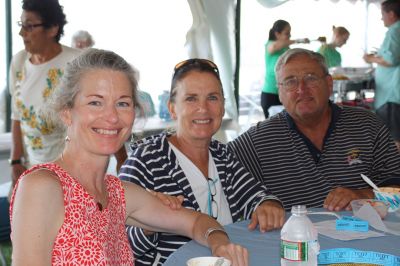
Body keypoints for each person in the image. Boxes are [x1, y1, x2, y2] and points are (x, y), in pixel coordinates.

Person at [9, 49, 249, 265]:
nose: (112, 117)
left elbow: (197, 223)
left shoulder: (118, 193)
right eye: (95, 102)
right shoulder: (43, 187)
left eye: (122, 104)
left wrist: (218, 242)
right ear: (67, 112)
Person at [119, 58, 285, 265]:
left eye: (212, 98)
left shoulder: (223, 154)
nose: (203, 108)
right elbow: (118, 243)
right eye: (191, 99)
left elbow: (255, 194)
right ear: (172, 108)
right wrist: (148, 225)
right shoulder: (144, 161)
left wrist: (267, 204)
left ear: (223, 106)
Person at [229, 48, 400, 212]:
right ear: (279, 92)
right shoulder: (259, 140)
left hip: (368, 237)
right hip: (293, 240)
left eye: (311, 78)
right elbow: (218, 167)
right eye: (290, 81)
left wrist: (362, 195)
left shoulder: (367, 125)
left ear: (329, 83)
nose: (301, 89)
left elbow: (396, 189)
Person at [9, 0, 81, 187]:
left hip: (70, 169)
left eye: (30, 26)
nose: (22, 33)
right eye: (21, 25)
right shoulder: (19, 62)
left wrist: (122, 159)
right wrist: (15, 160)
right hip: (31, 168)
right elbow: (17, 115)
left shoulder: (76, 62)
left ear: (52, 29)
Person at [363, 0, 400, 151]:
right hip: (394, 94)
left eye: (382, 14)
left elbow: (390, 60)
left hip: (391, 95)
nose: (381, 18)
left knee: (394, 139)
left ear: (391, 14)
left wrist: (370, 59)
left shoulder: (394, 31)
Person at [261, 20, 309, 118]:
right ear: (277, 34)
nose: (289, 36)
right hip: (270, 92)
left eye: (290, 33)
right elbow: (274, 46)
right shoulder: (270, 44)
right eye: (287, 33)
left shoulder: (287, 49)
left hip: (286, 92)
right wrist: (299, 40)